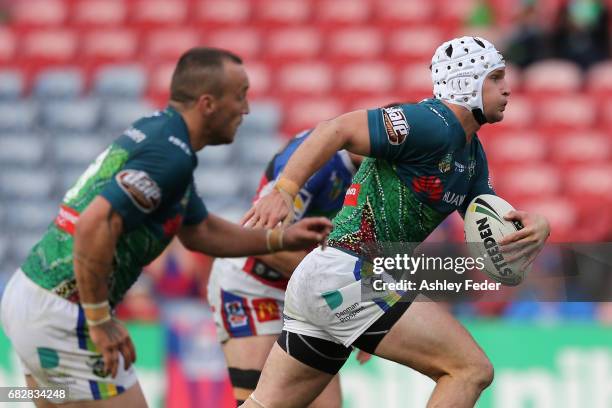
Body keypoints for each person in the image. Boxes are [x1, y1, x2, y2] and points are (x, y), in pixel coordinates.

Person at [0, 48, 332, 407]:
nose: (246, 109)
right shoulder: (170, 155)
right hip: (66, 312)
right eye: (239, 96)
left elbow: (200, 231)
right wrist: (98, 318)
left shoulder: (160, 135)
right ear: (207, 103)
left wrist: (279, 237)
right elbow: (95, 224)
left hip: (31, 296)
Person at [240, 36, 551, 407]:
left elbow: (487, 224)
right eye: (497, 77)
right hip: (347, 273)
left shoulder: (471, 154)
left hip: (328, 278)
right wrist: (284, 190)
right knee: (470, 370)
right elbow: (333, 130)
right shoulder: (430, 123)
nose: (507, 89)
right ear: (467, 81)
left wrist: (538, 227)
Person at [208, 128, 368, 407]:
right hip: (251, 284)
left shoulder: (374, 178)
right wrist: (329, 280)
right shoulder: (316, 159)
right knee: (256, 401)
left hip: (305, 293)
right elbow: (259, 235)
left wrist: (366, 312)